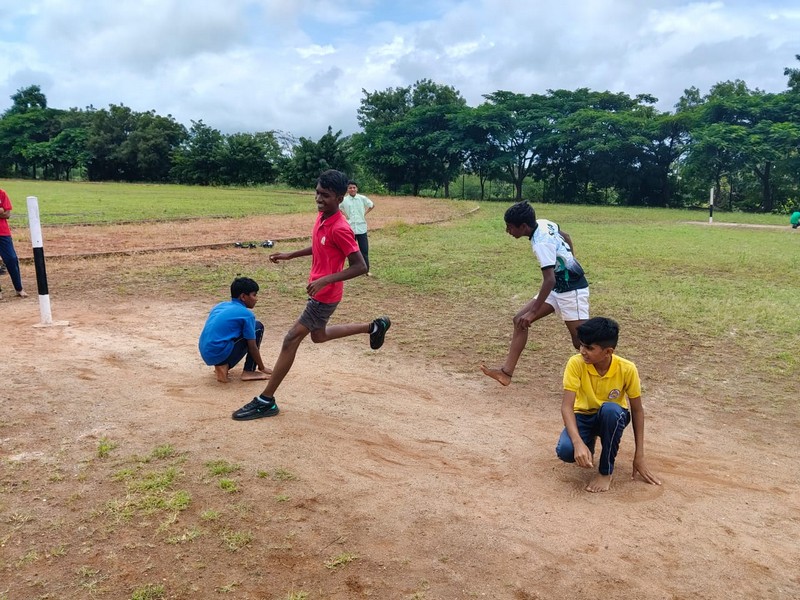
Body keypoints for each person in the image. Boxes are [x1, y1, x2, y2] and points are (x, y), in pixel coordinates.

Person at [231, 170, 391, 421]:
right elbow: (320, 246)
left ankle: (266, 400)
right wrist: (290, 255)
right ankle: (373, 327)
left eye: (325, 195)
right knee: (319, 336)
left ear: (339, 198)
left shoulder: (340, 227)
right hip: (321, 291)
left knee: (291, 339)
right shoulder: (322, 218)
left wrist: (325, 280)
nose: (318, 198)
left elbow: (361, 266)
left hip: (325, 294)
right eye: (317, 192)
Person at [481, 201, 588, 386]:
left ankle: (605, 376)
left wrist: (533, 312)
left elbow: (549, 280)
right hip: (557, 288)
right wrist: (570, 260)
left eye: (510, 227)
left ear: (523, 226)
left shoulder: (541, 243)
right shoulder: (544, 223)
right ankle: (506, 373)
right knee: (519, 320)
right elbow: (567, 236)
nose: (508, 231)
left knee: (582, 341)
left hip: (572, 290)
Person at [555, 317, 661, 493]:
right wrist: (578, 442)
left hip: (612, 416)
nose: (582, 351)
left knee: (610, 410)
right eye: (581, 345)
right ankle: (589, 442)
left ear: (608, 351)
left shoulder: (627, 369)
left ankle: (606, 471)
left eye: (589, 348)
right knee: (566, 451)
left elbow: (637, 410)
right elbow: (567, 407)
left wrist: (639, 455)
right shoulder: (576, 363)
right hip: (583, 415)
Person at [199, 277, 272, 383]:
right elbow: (252, 347)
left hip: (207, 353)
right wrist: (262, 367)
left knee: (239, 331)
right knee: (257, 327)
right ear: (243, 296)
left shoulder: (220, 305)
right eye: (254, 295)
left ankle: (221, 365)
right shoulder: (247, 315)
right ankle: (248, 371)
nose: (256, 299)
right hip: (219, 353)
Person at [340, 180, 374, 274]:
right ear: (347, 189)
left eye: (354, 187)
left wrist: (364, 214)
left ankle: (366, 270)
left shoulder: (362, 198)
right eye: (350, 188)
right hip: (350, 228)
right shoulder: (344, 200)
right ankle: (353, 269)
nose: (352, 189)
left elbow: (371, 205)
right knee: (351, 251)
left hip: (361, 227)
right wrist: (345, 216)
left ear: (357, 188)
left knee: (364, 249)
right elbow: (338, 208)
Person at [0, 188, 28, 300]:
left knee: (12, 259)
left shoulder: (1, 193)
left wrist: (2, 211)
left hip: (3, 233)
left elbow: (7, 214)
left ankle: (19, 288)